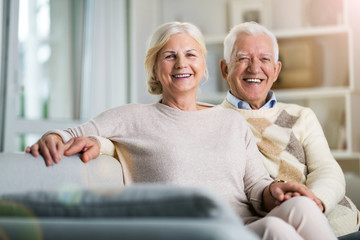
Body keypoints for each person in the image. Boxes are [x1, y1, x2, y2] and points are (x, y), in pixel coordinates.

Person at [27, 21, 337, 240]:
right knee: (277, 231)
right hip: (194, 229)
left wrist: (274, 191)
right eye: (169, 55)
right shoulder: (133, 116)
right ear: (155, 67)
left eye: (190, 54)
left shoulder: (230, 122)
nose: (181, 64)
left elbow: (256, 187)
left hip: (244, 225)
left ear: (203, 65)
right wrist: (54, 138)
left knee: (299, 206)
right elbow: (76, 132)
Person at [219, 21, 360, 238]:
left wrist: (314, 202)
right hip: (265, 224)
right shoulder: (215, 121)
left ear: (276, 71)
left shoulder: (301, 115)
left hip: (323, 213)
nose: (254, 68)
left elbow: (326, 169)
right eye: (243, 58)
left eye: (264, 59)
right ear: (225, 68)